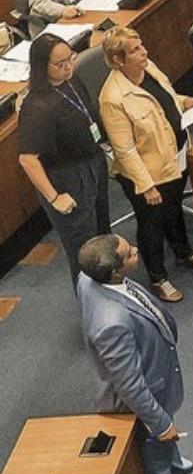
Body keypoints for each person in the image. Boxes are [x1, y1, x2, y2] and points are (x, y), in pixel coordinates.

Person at [76, 234, 193, 474]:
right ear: (116, 270)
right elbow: (130, 385)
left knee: (165, 450)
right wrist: (160, 423)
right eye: (129, 253)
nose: (136, 250)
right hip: (145, 402)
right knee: (155, 463)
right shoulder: (111, 324)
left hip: (153, 380)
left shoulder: (88, 278)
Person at [98, 27, 193, 303]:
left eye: (142, 45)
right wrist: (146, 185)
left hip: (175, 156)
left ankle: (183, 253)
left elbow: (167, 100)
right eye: (135, 50)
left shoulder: (149, 68)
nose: (144, 52)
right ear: (118, 60)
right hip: (147, 174)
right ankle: (158, 277)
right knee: (152, 224)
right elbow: (124, 149)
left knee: (173, 210)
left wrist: (186, 101)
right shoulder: (112, 98)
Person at [17, 35, 111, 289]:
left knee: (103, 234)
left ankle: (112, 290)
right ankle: (93, 306)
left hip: (92, 163)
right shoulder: (36, 106)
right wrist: (55, 197)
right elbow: (27, 159)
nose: (68, 66)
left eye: (70, 58)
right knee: (85, 250)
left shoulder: (71, 80)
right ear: (41, 66)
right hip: (66, 180)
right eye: (60, 64)